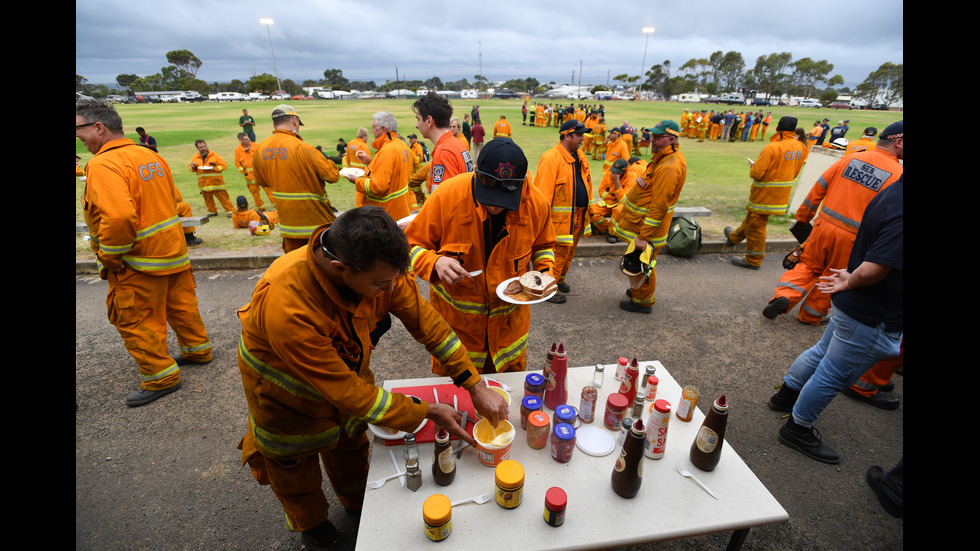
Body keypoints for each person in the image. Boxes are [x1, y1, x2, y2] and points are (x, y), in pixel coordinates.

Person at [236, 206, 509, 549]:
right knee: (295, 469)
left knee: (351, 446)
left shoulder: (380, 265)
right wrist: (426, 411)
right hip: (285, 401)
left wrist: (475, 383)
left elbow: (428, 324)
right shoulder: (287, 303)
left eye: (394, 279)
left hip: (344, 379)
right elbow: (347, 392)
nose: (390, 289)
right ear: (339, 269)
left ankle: (356, 506)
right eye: (380, 284)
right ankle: (313, 526)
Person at [76, 99, 212, 407]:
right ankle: (197, 349)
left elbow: (120, 217)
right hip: (173, 252)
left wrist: (110, 258)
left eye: (79, 129)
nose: (78, 137)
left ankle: (160, 376)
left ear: (99, 128)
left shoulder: (102, 164)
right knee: (181, 306)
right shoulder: (149, 155)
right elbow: (175, 202)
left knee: (135, 318)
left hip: (137, 261)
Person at [767, 174, 903, 464]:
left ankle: (786, 396)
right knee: (833, 372)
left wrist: (851, 279)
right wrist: (853, 280)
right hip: (871, 310)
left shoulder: (893, 190)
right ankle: (797, 427)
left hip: (855, 303)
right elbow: (872, 271)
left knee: (822, 354)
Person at [405, 137, 557, 374]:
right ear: (476, 174)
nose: (495, 207)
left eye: (503, 199)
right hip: (458, 336)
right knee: (457, 406)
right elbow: (409, 245)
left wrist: (544, 273)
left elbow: (545, 245)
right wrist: (434, 262)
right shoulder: (448, 196)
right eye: (489, 196)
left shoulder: (536, 203)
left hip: (509, 337)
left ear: (522, 182)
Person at [762, 121, 903, 323]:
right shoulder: (897, 176)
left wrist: (804, 217)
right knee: (833, 275)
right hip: (854, 238)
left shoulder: (850, 159)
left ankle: (783, 296)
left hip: (823, 226)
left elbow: (819, 187)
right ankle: (811, 315)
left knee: (808, 264)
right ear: (898, 142)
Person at [610, 120, 687, 314]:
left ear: (671, 138)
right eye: (653, 135)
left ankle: (642, 301)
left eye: (658, 137)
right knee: (642, 261)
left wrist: (644, 236)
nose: (653, 140)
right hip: (642, 226)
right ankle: (639, 291)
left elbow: (659, 206)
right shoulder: (663, 157)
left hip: (647, 230)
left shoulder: (669, 166)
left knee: (643, 263)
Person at [252, 104, 341, 253]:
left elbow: (262, 181)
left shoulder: (260, 149)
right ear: (295, 121)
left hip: (288, 226)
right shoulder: (303, 148)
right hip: (316, 224)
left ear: (274, 124)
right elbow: (333, 176)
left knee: (296, 268)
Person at [725, 116, 808, 270]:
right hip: (781, 193)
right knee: (753, 217)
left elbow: (757, 173)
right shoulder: (801, 147)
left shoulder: (772, 147)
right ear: (794, 130)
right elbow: (795, 171)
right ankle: (734, 237)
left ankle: (753, 259)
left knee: (756, 225)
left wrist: (753, 167)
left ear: (777, 129)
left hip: (764, 194)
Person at [532, 120, 594, 304]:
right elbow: (542, 196)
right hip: (559, 222)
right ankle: (547, 288)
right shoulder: (551, 158)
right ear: (567, 135)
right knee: (556, 255)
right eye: (580, 135)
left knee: (568, 253)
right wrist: (542, 226)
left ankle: (559, 280)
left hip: (578, 218)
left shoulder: (580, 155)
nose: (583, 139)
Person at [344, 111, 413, 221]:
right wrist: (370, 162)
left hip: (385, 215)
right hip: (399, 210)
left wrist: (357, 180)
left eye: (373, 127)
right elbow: (390, 172)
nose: (371, 131)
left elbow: (377, 187)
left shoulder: (387, 151)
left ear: (383, 129)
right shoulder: (400, 145)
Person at [413, 91, 473, 196]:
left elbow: (442, 203)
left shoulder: (443, 152)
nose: (416, 125)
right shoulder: (457, 144)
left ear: (429, 121)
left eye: (418, 119)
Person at [188, 139, 235, 217]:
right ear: (197, 148)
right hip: (203, 184)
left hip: (216, 183)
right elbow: (190, 169)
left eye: (204, 146)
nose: (203, 148)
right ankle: (212, 211)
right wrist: (192, 167)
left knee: (224, 198)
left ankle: (230, 211)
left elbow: (224, 166)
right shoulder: (195, 157)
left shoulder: (214, 155)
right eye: (201, 147)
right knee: (207, 199)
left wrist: (215, 168)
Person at [589, 158, 630, 242]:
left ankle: (612, 234)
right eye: (613, 171)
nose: (613, 173)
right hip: (609, 202)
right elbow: (601, 191)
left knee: (618, 210)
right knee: (592, 211)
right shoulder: (608, 173)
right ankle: (609, 230)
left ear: (624, 171)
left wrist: (617, 181)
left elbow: (624, 200)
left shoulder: (631, 177)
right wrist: (612, 197)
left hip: (622, 204)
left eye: (617, 172)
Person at [235, 132, 274, 211]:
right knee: (255, 193)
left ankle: (276, 205)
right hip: (250, 177)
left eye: (248, 138)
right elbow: (237, 163)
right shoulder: (237, 150)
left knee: (269, 191)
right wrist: (243, 171)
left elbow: (264, 156)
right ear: (240, 140)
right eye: (246, 139)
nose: (248, 140)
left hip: (261, 174)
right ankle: (260, 207)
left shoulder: (256, 146)